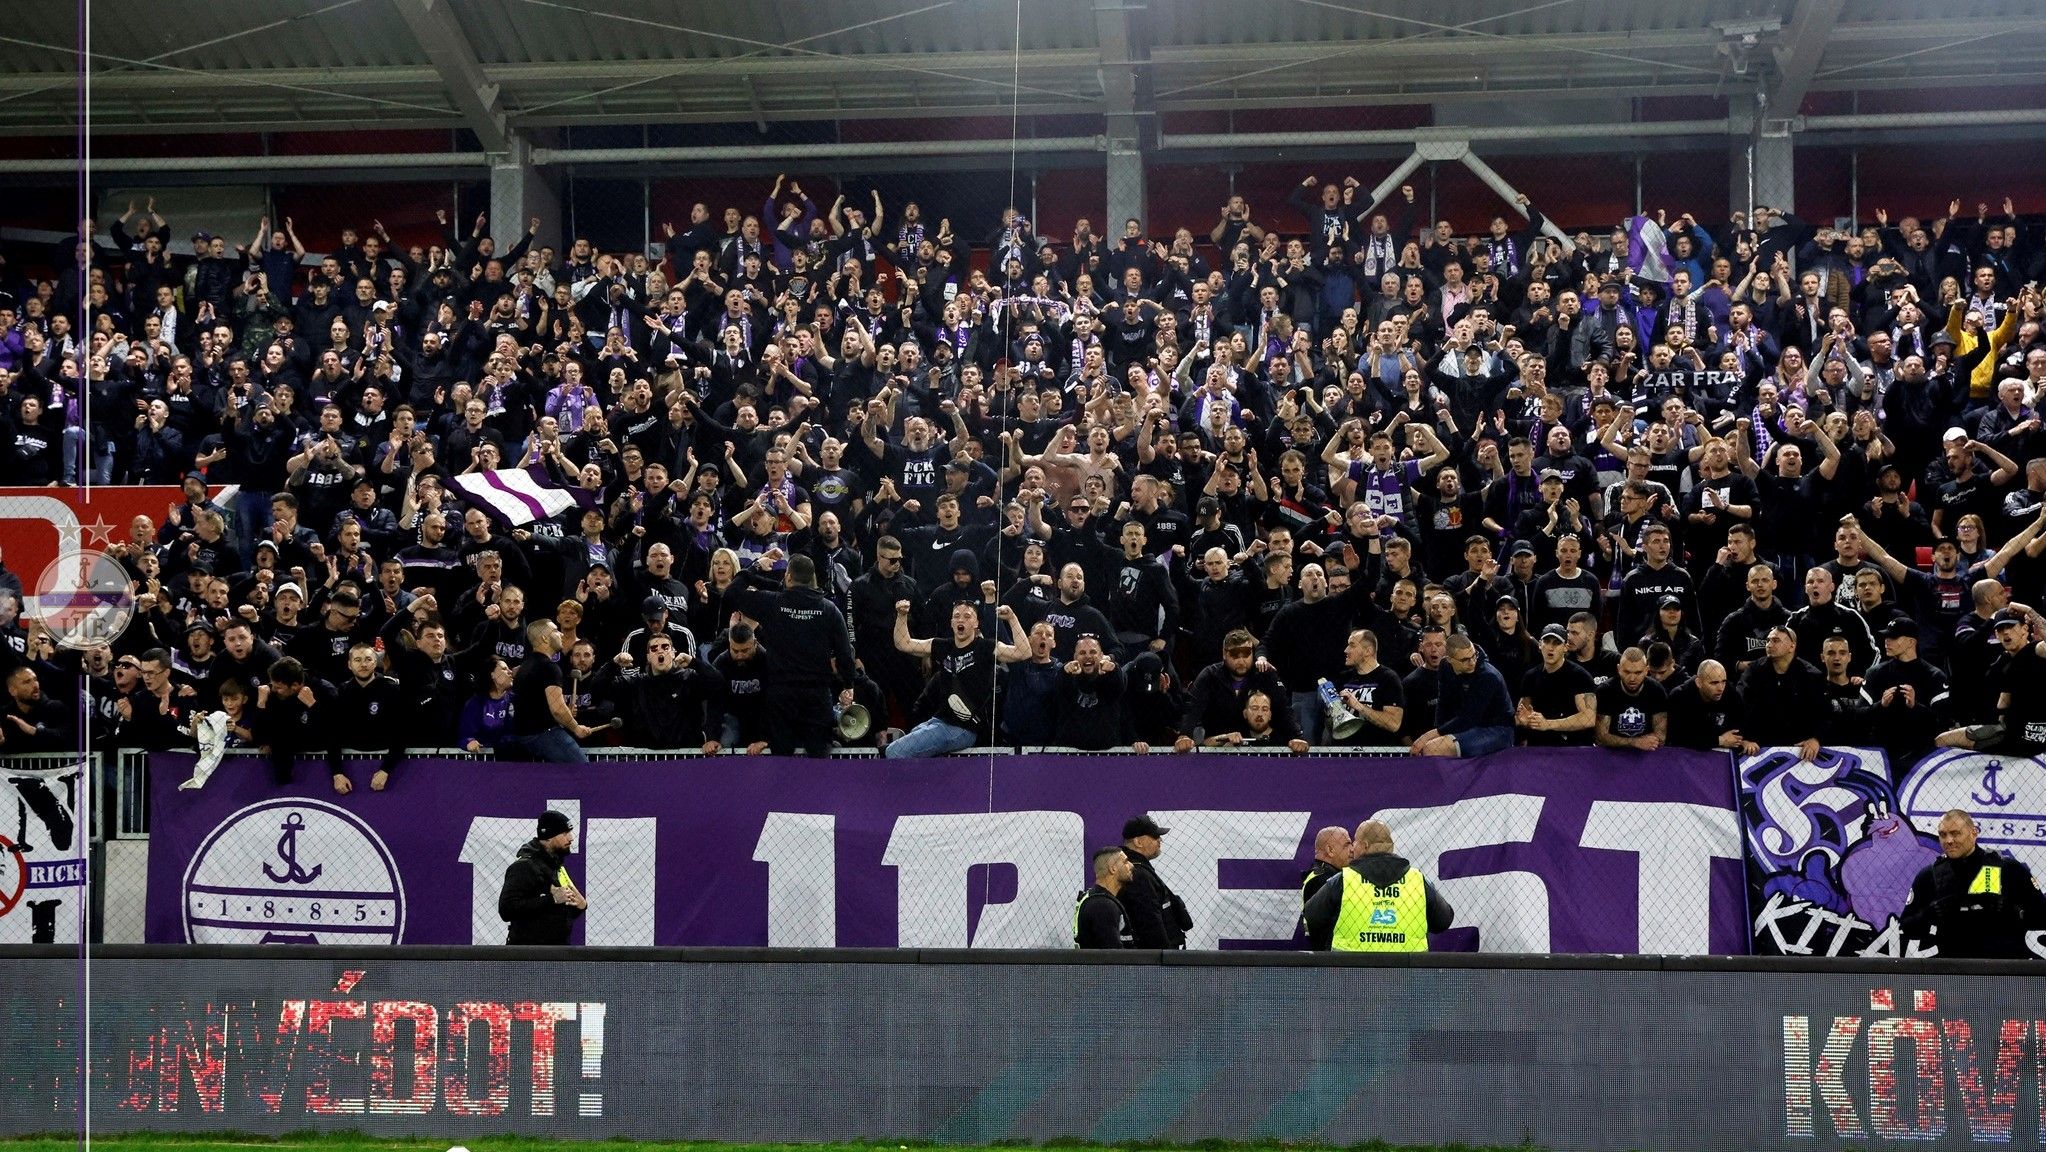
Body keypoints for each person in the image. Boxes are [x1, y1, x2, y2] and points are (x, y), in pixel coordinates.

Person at [1900, 810, 2046, 958]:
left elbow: (2042, 916)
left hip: (2004, 968)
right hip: (1952, 968)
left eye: (1955, 833)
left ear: (1973, 833)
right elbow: (1907, 927)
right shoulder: (1930, 875)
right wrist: (1929, 913)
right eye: (1943, 835)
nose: (1949, 840)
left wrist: (2012, 911)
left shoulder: (2008, 869)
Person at [1302, 819, 1454, 952]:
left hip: (1350, 973)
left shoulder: (1344, 880)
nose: (1352, 848)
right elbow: (1443, 921)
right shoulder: (1417, 880)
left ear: (1365, 846)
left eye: (1354, 842)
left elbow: (1312, 917)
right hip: (1406, 975)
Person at [504, 619, 603, 761]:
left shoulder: (523, 667)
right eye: (556, 631)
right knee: (584, 774)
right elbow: (557, 708)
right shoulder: (549, 667)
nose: (561, 634)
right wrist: (576, 728)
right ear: (544, 638)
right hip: (545, 734)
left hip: (522, 737)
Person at [1410, 633, 1514, 757]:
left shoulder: (1488, 676)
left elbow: (1468, 718)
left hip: (1498, 730)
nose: (1472, 663)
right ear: (1449, 659)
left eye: (1473, 655)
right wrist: (1438, 731)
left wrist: (1429, 735)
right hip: (1468, 726)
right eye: (1465, 659)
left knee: (1433, 749)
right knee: (1432, 745)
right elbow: (1443, 704)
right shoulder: (1445, 666)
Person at [496, 809, 588, 946]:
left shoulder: (555, 864)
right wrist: (551, 899)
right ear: (548, 836)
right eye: (564, 833)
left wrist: (580, 906)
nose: (571, 837)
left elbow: (556, 911)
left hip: (556, 952)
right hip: (529, 955)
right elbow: (507, 909)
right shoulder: (524, 866)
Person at [1118, 815, 1190, 949]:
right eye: (1155, 836)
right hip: (1153, 962)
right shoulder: (1138, 874)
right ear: (1138, 842)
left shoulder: (1138, 869)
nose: (1160, 840)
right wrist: (1164, 958)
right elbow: (1150, 924)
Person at [1073, 845, 1135, 949]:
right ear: (1113, 869)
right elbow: (1112, 957)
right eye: (1125, 862)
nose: (1131, 865)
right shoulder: (1103, 906)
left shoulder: (1094, 898)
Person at [1299, 824, 1353, 923]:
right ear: (1330, 850)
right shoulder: (1321, 880)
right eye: (1347, 845)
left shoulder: (1321, 874)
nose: (1352, 849)